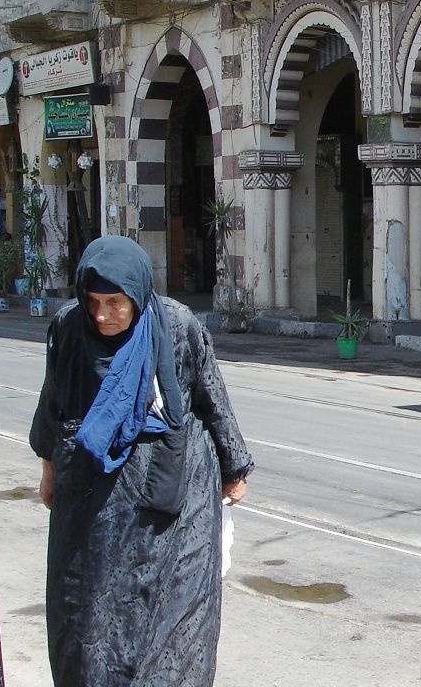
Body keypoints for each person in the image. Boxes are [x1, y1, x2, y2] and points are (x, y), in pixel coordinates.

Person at [30, 236, 254, 686]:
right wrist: (49, 471)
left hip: (172, 491)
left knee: (175, 613)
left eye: (114, 302)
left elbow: (211, 397)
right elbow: (53, 405)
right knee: (89, 613)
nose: (102, 314)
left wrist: (234, 469)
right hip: (94, 498)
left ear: (136, 293)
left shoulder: (174, 324)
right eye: (93, 301)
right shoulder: (69, 328)